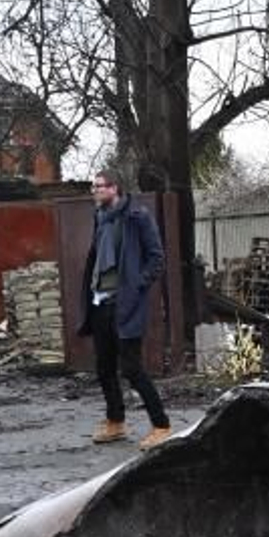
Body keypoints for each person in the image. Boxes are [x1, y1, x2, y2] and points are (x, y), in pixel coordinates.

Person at [79, 169, 173, 450]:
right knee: (104, 367)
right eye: (93, 187)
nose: (94, 191)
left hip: (124, 304)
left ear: (115, 188)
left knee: (131, 368)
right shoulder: (100, 217)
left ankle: (162, 425)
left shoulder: (137, 217)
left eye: (99, 187)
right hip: (99, 302)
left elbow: (156, 258)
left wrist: (134, 287)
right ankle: (116, 421)